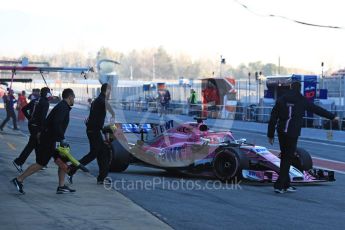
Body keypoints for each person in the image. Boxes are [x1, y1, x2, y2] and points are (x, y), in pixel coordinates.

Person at [267, 81, 339, 194]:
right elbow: (317, 109)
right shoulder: (302, 100)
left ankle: (285, 184)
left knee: (285, 156)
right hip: (292, 132)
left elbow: (273, 117)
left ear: (290, 87)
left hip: (281, 131)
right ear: (299, 88)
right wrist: (332, 117)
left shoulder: (282, 99)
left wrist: (270, 134)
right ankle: (279, 185)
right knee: (287, 158)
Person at [12, 88, 76, 194]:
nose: (74, 99)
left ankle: (61, 186)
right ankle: (19, 179)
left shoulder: (63, 106)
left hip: (53, 139)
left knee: (63, 160)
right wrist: (62, 139)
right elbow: (55, 123)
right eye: (73, 97)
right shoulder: (63, 108)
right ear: (70, 97)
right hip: (49, 140)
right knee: (41, 163)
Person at [68, 83, 115, 185]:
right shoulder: (101, 101)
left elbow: (96, 117)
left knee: (103, 153)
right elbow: (106, 107)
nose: (110, 93)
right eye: (110, 91)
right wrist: (113, 113)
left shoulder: (97, 101)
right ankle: (72, 168)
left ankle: (102, 178)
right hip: (94, 131)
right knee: (94, 154)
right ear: (107, 91)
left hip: (93, 130)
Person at [12, 87, 51, 173]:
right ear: (47, 94)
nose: (50, 94)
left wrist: (30, 118)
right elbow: (42, 118)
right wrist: (42, 129)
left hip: (31, 125)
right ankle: (18, 162)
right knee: (32, 144)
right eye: (49, 92)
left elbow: (24, 109)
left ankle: (40, 163)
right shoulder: (45, 103)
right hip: (37, 127)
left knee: (37, 143)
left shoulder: (35, 100)